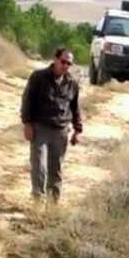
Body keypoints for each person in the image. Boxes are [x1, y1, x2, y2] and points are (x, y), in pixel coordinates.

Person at [20, 48, 83, 204]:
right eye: (63, 61)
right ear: (55, 59)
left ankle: (53, 201)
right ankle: (38, 200)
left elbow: (75, 107)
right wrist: (27, 123)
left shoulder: (72, 83)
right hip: (40, 127)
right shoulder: (39, 77)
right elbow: (27, 100)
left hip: (61, 130)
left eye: (69, 63)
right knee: (39, 165)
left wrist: (77, 130)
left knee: (56, 168)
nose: (65, 65)